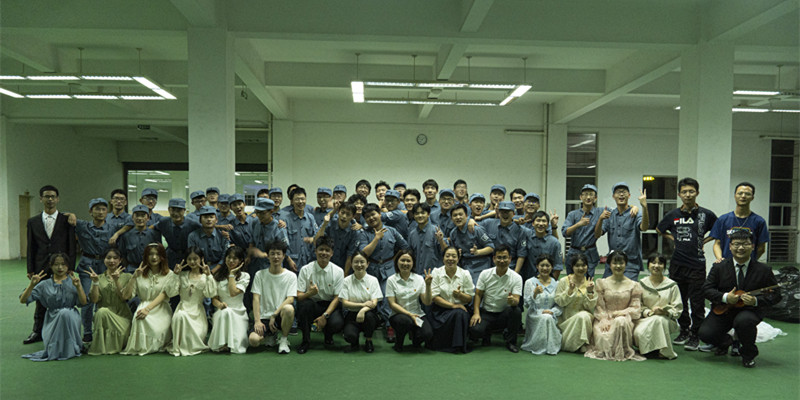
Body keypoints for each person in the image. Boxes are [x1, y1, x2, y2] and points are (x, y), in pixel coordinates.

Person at [698, 230, 781, 368]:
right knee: (705, 333)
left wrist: (756, 301)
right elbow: (706, 289)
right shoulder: (719, 267)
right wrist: (725, 297)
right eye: (736, 244)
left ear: (752, 246)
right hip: (724, 309)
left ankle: (748, 355)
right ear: (730, 246)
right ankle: (726, 342)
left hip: (749, 310)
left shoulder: (763, 270)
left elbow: (776, 295)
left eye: (745, 244)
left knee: (744, 321)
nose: (741, 248)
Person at [656, 177, 717, 350]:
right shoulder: (673, 215)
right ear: (679, 194)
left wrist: (704, 241)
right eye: (684, 192)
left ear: (697, 193)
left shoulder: (706, 214)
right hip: (677, 263)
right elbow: (660, 229)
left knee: (697, 302)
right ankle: (684, 330)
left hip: (697, 264)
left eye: (691, 191)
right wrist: (673, 238)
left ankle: (695, 334)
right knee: (679, 300)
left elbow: (718, 230)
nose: (688, 195)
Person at [24, 185, 76, 345]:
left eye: (53, 196)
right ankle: (37, 331)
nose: (50, 199)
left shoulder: (66, 220)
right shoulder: (33, 222)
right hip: (40, 266)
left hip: (61, 266)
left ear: (58, 199)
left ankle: (62, 329)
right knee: (40, 299)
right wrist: (30, 268)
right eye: (47, 196)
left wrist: (71, 267)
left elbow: (71, 245)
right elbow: (31, 246)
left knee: (63, 297)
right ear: (41, 199)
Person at [19, 253, 86, 361]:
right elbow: (23, 300)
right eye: (56, 264)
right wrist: (32, 285)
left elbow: (83, 302)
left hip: (71, 317)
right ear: (50, 265)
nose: (60, 267)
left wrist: (79, 287)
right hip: (52, 318)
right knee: (63, 314)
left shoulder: (74, 282)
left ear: (68, 266)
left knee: (65, 313)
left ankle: (72, 347)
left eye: (63, 264)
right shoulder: (44, 284)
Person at [359, 203, 409, 341]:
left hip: (389, 268)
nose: (371, 218)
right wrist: (376, 238)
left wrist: (394, 259)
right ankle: (369, 327)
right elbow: (364, 253)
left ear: (380, 214)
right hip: (371, 270)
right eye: (367, 216)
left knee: (388, 298)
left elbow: (405, 247)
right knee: (370, 299)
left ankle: (389, 327)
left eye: (373, 214)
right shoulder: (363, 233)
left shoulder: (392, 231)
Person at [584, 250, 644, 361]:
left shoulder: (634, 285)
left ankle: (622, 351)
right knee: (604, 338)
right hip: (605, 318)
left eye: (621, 263)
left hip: (625, 319)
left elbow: (636, 308)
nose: (618, 266)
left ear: (626, 264)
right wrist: (603, 319)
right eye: (615, 263)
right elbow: (599, 306)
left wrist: (621, 313)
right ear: (609, 265)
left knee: (620, 322)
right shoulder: (601, 283)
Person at [121, 243, 178, 355]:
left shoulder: (169, 274)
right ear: (146, 256)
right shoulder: (139, 273)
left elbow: (166, 294)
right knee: (140, 318)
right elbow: (126, 296)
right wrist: (134, 277)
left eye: (157, 254)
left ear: (162, 257)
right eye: (150, 254)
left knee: (156, 330)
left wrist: (147, 309)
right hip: (143, 305)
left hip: (161, 308)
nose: (154, 257)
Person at [72, 198, 116, 342]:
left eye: (103, 209)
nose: (101, 212)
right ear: (91, 211)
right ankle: (87, 332)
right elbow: (62, 217)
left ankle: (102, 329)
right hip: (87, 265)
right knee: (86, 299)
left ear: (107, 212)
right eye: (97, 209)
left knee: (104, 298)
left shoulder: (112, 229)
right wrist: (71, 215)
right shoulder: (82, 226)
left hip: (105, 265)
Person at [295, 236, 345, 354]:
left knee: (337, 322)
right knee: (304, 306)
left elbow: (337, 298)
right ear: (315, 251)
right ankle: (305, 341)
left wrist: (324, 316)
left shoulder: (338, 271)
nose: (324, 253)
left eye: (327, 250)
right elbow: (298, 296)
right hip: (312, 304)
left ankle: (328, 335)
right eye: (321, 249)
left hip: (329, 306)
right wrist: (309, 293)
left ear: (332, 253)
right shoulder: (305, 269)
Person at [469, 246, 523, 353]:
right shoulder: (485, 273)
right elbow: (478, 294)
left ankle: (511, 342)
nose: (502, 261)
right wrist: (476, 313)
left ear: (510, 259)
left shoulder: (516, 277)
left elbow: (516, 300)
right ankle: (486, 334)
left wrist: (513, 301)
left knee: (516, 311)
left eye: (505, 257)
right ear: (494, 259)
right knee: (475, 330)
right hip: (487, 312)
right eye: (499, 257)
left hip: (503, 314)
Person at [249, 241, 296, 355]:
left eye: (279, 254)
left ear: (283, 256)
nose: (276, 257)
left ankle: (283, 340)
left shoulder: (291, 276)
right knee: (253, 340)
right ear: (268, 256)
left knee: (289, 309)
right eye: (272, 254)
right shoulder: (260, 275)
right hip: (264, 317)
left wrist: (274, 315)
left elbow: (290, 299)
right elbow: (256, 299)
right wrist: (257, 321)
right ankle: (270, 335)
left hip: (280, 315)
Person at [594, 182, 648, 280]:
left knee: (628, 288)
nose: (621, 194)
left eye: (624, 192)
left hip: (630, 263)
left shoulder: (635, 213)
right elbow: (597, 234)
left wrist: (644, 207)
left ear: (629, 195)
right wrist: (600, 219)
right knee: (605, 287)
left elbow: (644, 227)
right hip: (612, 262)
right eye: (618, 192)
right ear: (613, 196)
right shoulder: (610, 215)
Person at [633, 254, 682, 360]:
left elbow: (678, 309)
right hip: (645, 318)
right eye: (653, 262)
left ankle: (664, 352)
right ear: (648, 265)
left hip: (667, 320)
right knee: (638, 333)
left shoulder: (672, 285)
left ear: (664, 266)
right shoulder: (641, 284)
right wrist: (649, 312)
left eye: (660, 263)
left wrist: (666, 312)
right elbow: (637, 305)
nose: (656, 266)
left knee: (659, 320)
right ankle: (653, 349)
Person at [169, 247, 216, 356]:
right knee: (180, 315)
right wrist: (175, 275)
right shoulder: (182, 275)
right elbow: (171, 293)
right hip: (182, 309)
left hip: (198, 313)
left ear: (201, 259)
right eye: (189, 259)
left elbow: (210, 294)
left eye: (195, 259)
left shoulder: (205, 277)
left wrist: (209, 275)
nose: (192, 262)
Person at [86, 248, 133, 355]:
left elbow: (124, 298)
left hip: (122, 318)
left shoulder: (128, 277)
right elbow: (94, 300)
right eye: (108, 258)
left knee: (102, 311)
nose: (112, 261)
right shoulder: (98, 277)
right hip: (103, 317)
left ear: (120, 260)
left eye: (115, 258)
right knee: (102, 312)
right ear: (104, 260)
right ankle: (100, 346)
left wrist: (116, 280)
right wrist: (95, 283)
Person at [385, 250, 433, 352]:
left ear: (413, 263)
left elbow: (427, 302)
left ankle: (415, 339)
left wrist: (428, 285)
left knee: (427, 334)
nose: (405, 263)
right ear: (397, 262)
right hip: (398, 315)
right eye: (402, 260)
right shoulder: (391, 280)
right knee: (405, 321)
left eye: (408, 261)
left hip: (417, 314)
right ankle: (398, 343)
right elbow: (392, 304)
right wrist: (409, 314)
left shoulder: (419, 279)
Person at [429, 246, 474, 353]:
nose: (450, 259)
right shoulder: (436, 272)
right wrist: (453, 305)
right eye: (447, 256)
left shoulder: (465, 274)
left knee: (460, 313)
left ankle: (458, 346)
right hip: (440, 310)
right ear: (443, 258)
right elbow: (434, 297)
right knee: (457, 312)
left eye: (454, 256)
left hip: (461, 309)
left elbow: (469, 298)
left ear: (458, 259)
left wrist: (460, 295)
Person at [710, 182, 769, 262]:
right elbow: (717, 244)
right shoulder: (723, 219)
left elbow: (761, 248)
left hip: (748, 266)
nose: (743, 196)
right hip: (726, 264)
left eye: (747, 194)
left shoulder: (759, 221)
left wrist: (749, 262)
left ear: (752, 197)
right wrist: (720, 259)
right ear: (735, 196)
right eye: (740, 193)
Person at [209, 246, 250, 354]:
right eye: (229, 257)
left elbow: (233, 293)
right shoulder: (218, 276)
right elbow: (214, 299)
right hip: (222, 311)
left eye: (235, 258)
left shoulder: (245, 276)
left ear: (240, 261)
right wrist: (220, 305)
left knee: (238, 347)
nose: (231, 261)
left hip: (239, 312)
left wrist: (232, 274)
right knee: (225, 312)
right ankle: (222, 344)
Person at [340, 251, 382, 353]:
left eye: (362, 262)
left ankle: (369, 340)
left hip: (369, 314)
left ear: (367, 264)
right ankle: (354, 341)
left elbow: (374, 303)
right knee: (349, 336)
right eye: (356, 262)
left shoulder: (373, 280)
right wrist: (362, 304)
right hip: (351, 314)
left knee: (369, 317)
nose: (359, 265)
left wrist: (363, 310)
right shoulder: (346, 281)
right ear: (351, 264)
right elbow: (345, 303)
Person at [521, 254, 563, 355]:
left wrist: (552, 311)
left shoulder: (557, 284)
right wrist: (534, 294)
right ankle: (541, 345)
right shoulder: (530, 282)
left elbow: (559, 304)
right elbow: (527, 304)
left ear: (552, 267)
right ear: (537, 266)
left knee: (547, 317)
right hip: (534, 314)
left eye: (548, 266)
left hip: (551, 314)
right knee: (545, 317)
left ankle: (550, 346)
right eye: (542, 265)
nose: (545, 268)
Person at [554, 254, 597, 352]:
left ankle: (581, 343)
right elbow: (559, 302)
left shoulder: (589, 283)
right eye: (577, 265)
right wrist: (570, 290)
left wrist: (590, 292)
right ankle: (575, 344)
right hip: (566, 321)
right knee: (582, 316)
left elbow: (590, 306)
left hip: (585, 319)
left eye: (583, 265)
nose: (581, 268)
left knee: (583, 316)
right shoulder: (564, 281)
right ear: (572, 267)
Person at [562, 184, 602, 277]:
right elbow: (565, 232)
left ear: (595, 198)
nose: (588, 197)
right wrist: (578, 224)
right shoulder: (573, 214)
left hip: (590, 253)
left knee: (588, 281)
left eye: (591, 194)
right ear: (581, 197)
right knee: (572, 281)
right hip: (574, 251)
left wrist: (633, 207)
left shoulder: (600, 212)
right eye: (585, 194)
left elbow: (618, 209)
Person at [448, 204, 494, 283]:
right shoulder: (453, 233)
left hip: (480, 266)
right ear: (451, 218)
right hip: (464, 267)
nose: (458, 217)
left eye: (460, 214)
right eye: (455, 215)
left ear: (466, 216)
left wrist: (478, 252)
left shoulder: (476, 229)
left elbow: (491, 247)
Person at [483, 201, 527, 278]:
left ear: (513, 214)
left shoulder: (520, 230)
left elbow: (521, 255)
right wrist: (471, 221)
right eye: (502, 212)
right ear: (498, 213)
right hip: (492, 268)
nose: (505, 214)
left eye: (508, 212)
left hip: (511, 268)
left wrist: (515, 275)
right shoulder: (488, 223)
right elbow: (475, 225)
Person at [314, 202, 360, 274]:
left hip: (343, 266)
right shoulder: (330, 223)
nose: (344, 216)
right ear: (338, 212)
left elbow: (349, 256)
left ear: (353, 216)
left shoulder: (354, 231)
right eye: (342, 212)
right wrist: (324, 224)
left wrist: (345, 275)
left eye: (348, 214)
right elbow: (316, 241)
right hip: (326, 264)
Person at [518, 211, 564, 281]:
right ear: (533, 223)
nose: (541, 224)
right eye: (538, 221)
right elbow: (512, 223)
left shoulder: (554, 242)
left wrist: (551, 283)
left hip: (546, 280)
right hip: (528, 280)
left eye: (544, 221)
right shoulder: (527, 235)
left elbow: (558, 267)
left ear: (548, 225)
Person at [282, 187, 319, 269]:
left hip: (309, 261)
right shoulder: (286, 219)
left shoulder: (310, 218)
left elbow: (317, 235)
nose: (300, 202)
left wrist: (313, 239)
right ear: (292, 201)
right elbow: (283, 241)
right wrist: (288, 259)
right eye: (297, 199)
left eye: (302, 199)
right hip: (292, 262)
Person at [118, 205, 162, 273]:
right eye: (137, 215)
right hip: (132, 270)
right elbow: (122, 255)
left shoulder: (155, 234)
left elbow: (160, 253)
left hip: (150, 269)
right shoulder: (126, 236)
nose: (140, 218)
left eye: (143, 215)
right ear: (132, 217)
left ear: (148, 218)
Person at [407, 203, 447, 275]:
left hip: (435, 274)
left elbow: (445, 252)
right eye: (417, 213)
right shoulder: (412, 234)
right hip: (417, 274)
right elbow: (410, 254)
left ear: (428, 214)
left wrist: (441, 241)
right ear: (413, 215)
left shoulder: (436, 231)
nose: (420, 216)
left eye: (423, 213)